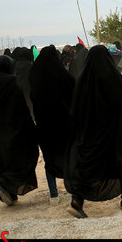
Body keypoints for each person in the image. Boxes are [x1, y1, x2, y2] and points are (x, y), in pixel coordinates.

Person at [64, 45, 122, 218]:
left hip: (90, 136)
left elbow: (74, 110)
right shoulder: (114, 78)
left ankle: (77, 201)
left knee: (87, 164)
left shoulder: (83, 81)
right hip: (116, 133)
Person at [0, 55, 39, 206]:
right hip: (11, 126)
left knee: (1, 158)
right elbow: (20, 105)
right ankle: (4, 185)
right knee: (21, 156)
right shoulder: (11, 82)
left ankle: (10, 193)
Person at [29, 45, 75, 205]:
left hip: (44, 124)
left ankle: (53, 194)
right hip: (64, 124)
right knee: (69, 156)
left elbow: (32, 97)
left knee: (49, 158)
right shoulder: (61, 74)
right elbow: (73, 92)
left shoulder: (35, 75)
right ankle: (73, 190)